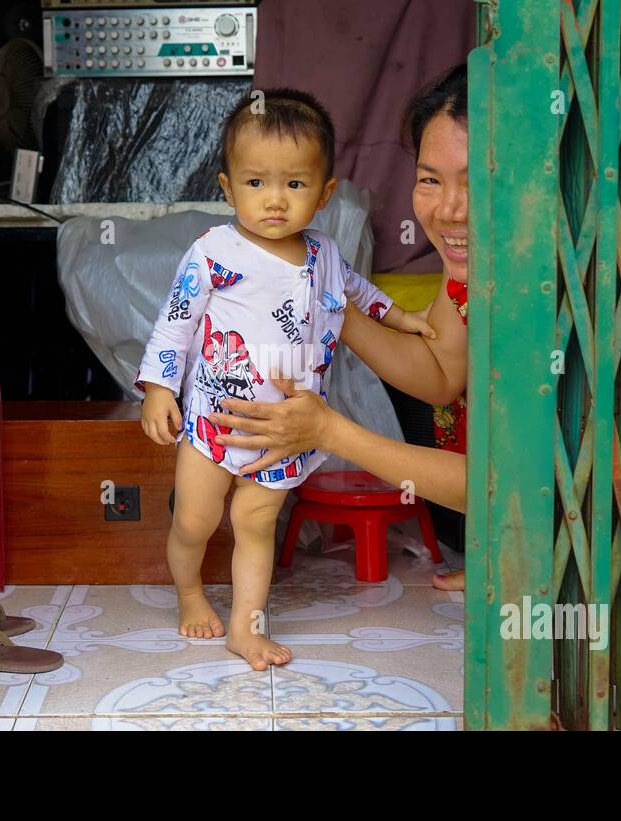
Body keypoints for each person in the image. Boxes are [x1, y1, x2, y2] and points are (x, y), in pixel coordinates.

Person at [135, 89, 435, 671]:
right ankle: (190, 592)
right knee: (194, 521)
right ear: (227, 188)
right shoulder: (213, 252)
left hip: (287, 431)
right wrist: (158, 388)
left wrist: (407, 319)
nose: (274, 200)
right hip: (214, 423)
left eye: (294, 185)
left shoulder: (324, 254)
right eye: (256, 183)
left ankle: (247, 629)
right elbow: (174, 324)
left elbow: (360, 294)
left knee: (255, 523)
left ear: (323, 194)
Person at [208, 65, 472, 591]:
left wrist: (329, 430)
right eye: (429, 180)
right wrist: (328, 300)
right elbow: (443, 374)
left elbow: (501, 483)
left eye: (478, 183)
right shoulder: (470, 267)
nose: (449, 210)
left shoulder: (553, 302)